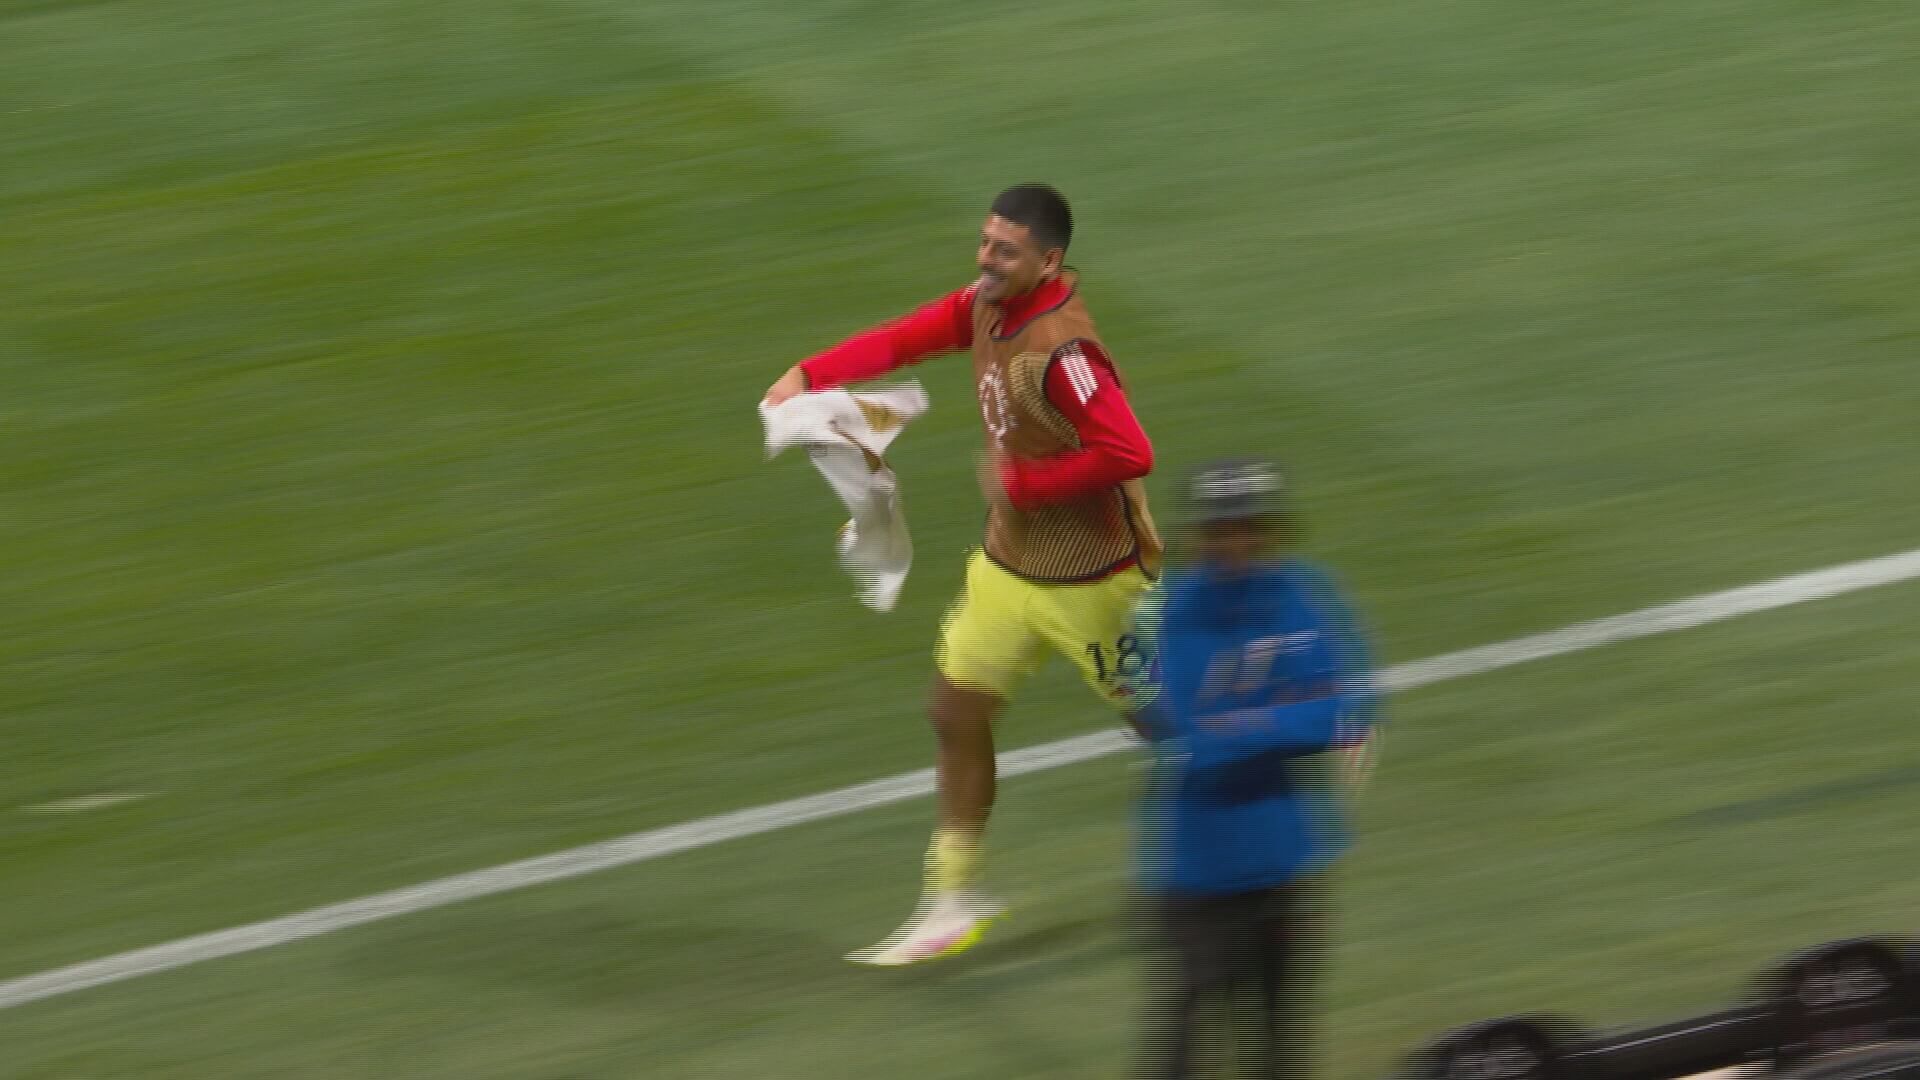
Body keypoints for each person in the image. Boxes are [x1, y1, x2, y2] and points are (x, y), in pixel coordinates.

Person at [763, 184, 1162, 966]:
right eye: (984, 241)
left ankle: (1295, 751)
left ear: (1047, 262)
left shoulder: (1063, 350)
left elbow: (1129, 451)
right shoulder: (990, 306)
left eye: (1005, 250)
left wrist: (1025, 486)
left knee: (1170, 729)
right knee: (954, 711)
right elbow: (908, 338)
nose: (986, 258)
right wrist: (809, 374)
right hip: (1008, 571)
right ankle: (953, 895)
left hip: (1095, 585)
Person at [1128, 459, 1379, 1079]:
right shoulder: (1160, 616)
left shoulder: (1313, 593)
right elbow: (1183, 736)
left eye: (1247, 527)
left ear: (1269, 531)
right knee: (1182, 1046)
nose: (1235, 542)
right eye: (1220, 529)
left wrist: (1235, 722)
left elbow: (1343, 716)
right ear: (1196, 535)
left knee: (1281, 1042)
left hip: (1289, 850)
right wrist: (1281, 715)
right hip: (1191, 860)